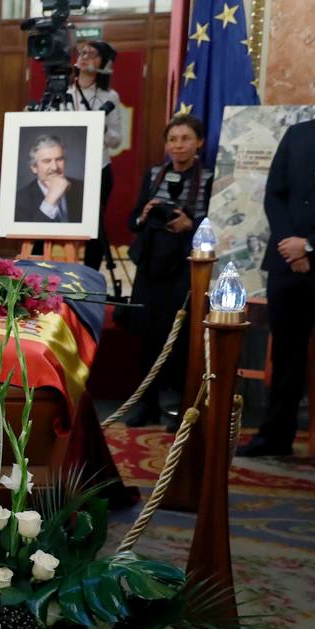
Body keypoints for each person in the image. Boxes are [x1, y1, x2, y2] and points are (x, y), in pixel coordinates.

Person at [239, 59, 315, 456]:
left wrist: (310, 247)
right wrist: (291, 245)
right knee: (287, 357)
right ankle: (274, 437)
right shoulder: (298, 134)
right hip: (285, 265)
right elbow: (274, 194)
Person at [123, 115, 213, 427]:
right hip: (152, 267)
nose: (178, 145)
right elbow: (131, 221)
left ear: (199, 142)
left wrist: (192, 224)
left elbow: (218, 226)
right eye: (172, 139)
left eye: (186, 138)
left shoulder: (211, 178)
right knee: (148, 335)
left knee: (182, 336)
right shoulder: (153, 176)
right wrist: (145, 215)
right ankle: (145, 403)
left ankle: (180, 407)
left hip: (186, 270)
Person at [70, 42, 124, 273]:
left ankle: (89, 276)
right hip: (68, 168)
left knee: (95, 228)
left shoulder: (110, 96)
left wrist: (100, 128)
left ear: (104, 63)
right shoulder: (64, 92)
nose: (85, 57)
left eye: (93, 54)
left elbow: (116, 139)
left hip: (99, 168)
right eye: (82, 52)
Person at [14, 134, 84, 223]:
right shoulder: (19, 200)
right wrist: (50, 199)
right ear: (34, 167)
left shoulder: (82, 189)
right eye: (46, 161)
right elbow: (32, 235)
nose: (55, 167)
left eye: (59, 159)